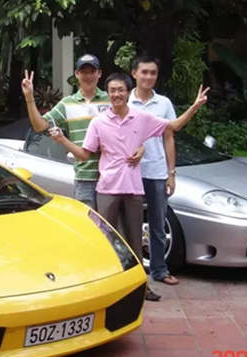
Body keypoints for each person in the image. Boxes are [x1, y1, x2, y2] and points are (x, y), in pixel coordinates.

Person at [48, 72, 209, 301]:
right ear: (108, 94)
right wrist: (63, 140)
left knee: (134, 241)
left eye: (121, 90)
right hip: (107, 189)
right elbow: (84, 155)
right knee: (106, 241)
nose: (116, 94)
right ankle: (107, 288)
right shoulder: (98, 122)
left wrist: (195, 106)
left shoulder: (141, 118)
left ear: (128, 92)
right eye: (112, 90)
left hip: (133, 190)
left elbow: (173, 125)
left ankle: (140, 287)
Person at [21, 54, 143, 210]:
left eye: (92, 71)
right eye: (84, 72)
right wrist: (29, 98)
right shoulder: (67, 104)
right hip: (84, 177)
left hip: (113, 176)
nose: (88, 76)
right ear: (76, 74)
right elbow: (39, 126)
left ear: (99, 73)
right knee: (88, 222)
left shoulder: (111, 99)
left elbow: (132, 127)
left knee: (111, 224)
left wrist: (141, 147)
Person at [130, 56, 180, 286]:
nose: (149, 77)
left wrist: (171, 173)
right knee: (130, 225)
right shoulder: (124, 101)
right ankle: (132, 274)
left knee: (158, 225)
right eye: (144, 72)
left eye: (153, 73)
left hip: (157, 172)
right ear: (134, 74)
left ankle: (159, 270)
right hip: (130, 173)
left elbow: (169, 138)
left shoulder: (164, 103)